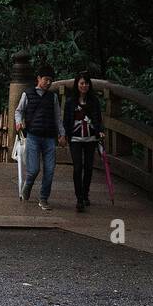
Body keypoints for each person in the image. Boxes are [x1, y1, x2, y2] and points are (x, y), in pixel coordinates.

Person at [15, 66, 66, 211]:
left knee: (49, 170)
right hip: (33, 136)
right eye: (46, 79)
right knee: (34, 169)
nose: (48, 83)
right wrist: (18, 122)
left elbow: (58, 117)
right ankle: (28, 185)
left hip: (49, 138)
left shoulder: (53, 97)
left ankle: (43, 198)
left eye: (51, 80)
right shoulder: (28, 94)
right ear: (38, 79)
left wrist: (62, 134)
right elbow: (19, 111)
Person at [63, 71, 104, 212]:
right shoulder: (70, 101)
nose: (84, 86)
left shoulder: (94, 101)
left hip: (90, 138)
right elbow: (66, 120)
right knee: (77, 167)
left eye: (86, 83)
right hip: (75, 138)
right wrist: (64, 134)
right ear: (77, 84)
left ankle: (85, 194)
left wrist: (100, 130)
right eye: (81, 83)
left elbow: (98, 118)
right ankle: (79, 197)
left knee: (88, 167)